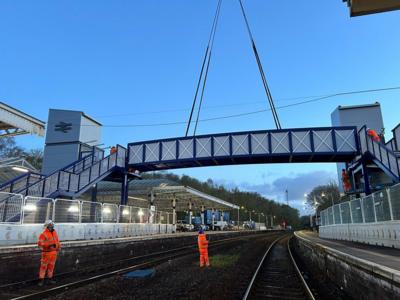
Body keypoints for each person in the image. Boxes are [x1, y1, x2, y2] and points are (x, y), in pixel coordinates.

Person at [37, 220, 61, 286]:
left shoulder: (54, 232)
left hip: (54, 252)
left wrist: (59, 247)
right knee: (43, 267)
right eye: (50, 225)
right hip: (46, 253)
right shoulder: (43, 234)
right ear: (47, 226)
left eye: (52, 224)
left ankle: (49, 279)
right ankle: (41, 280)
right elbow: (40, 243)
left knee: (51, 266)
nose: (51, 226)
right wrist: (48, 245)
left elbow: (57, 240)